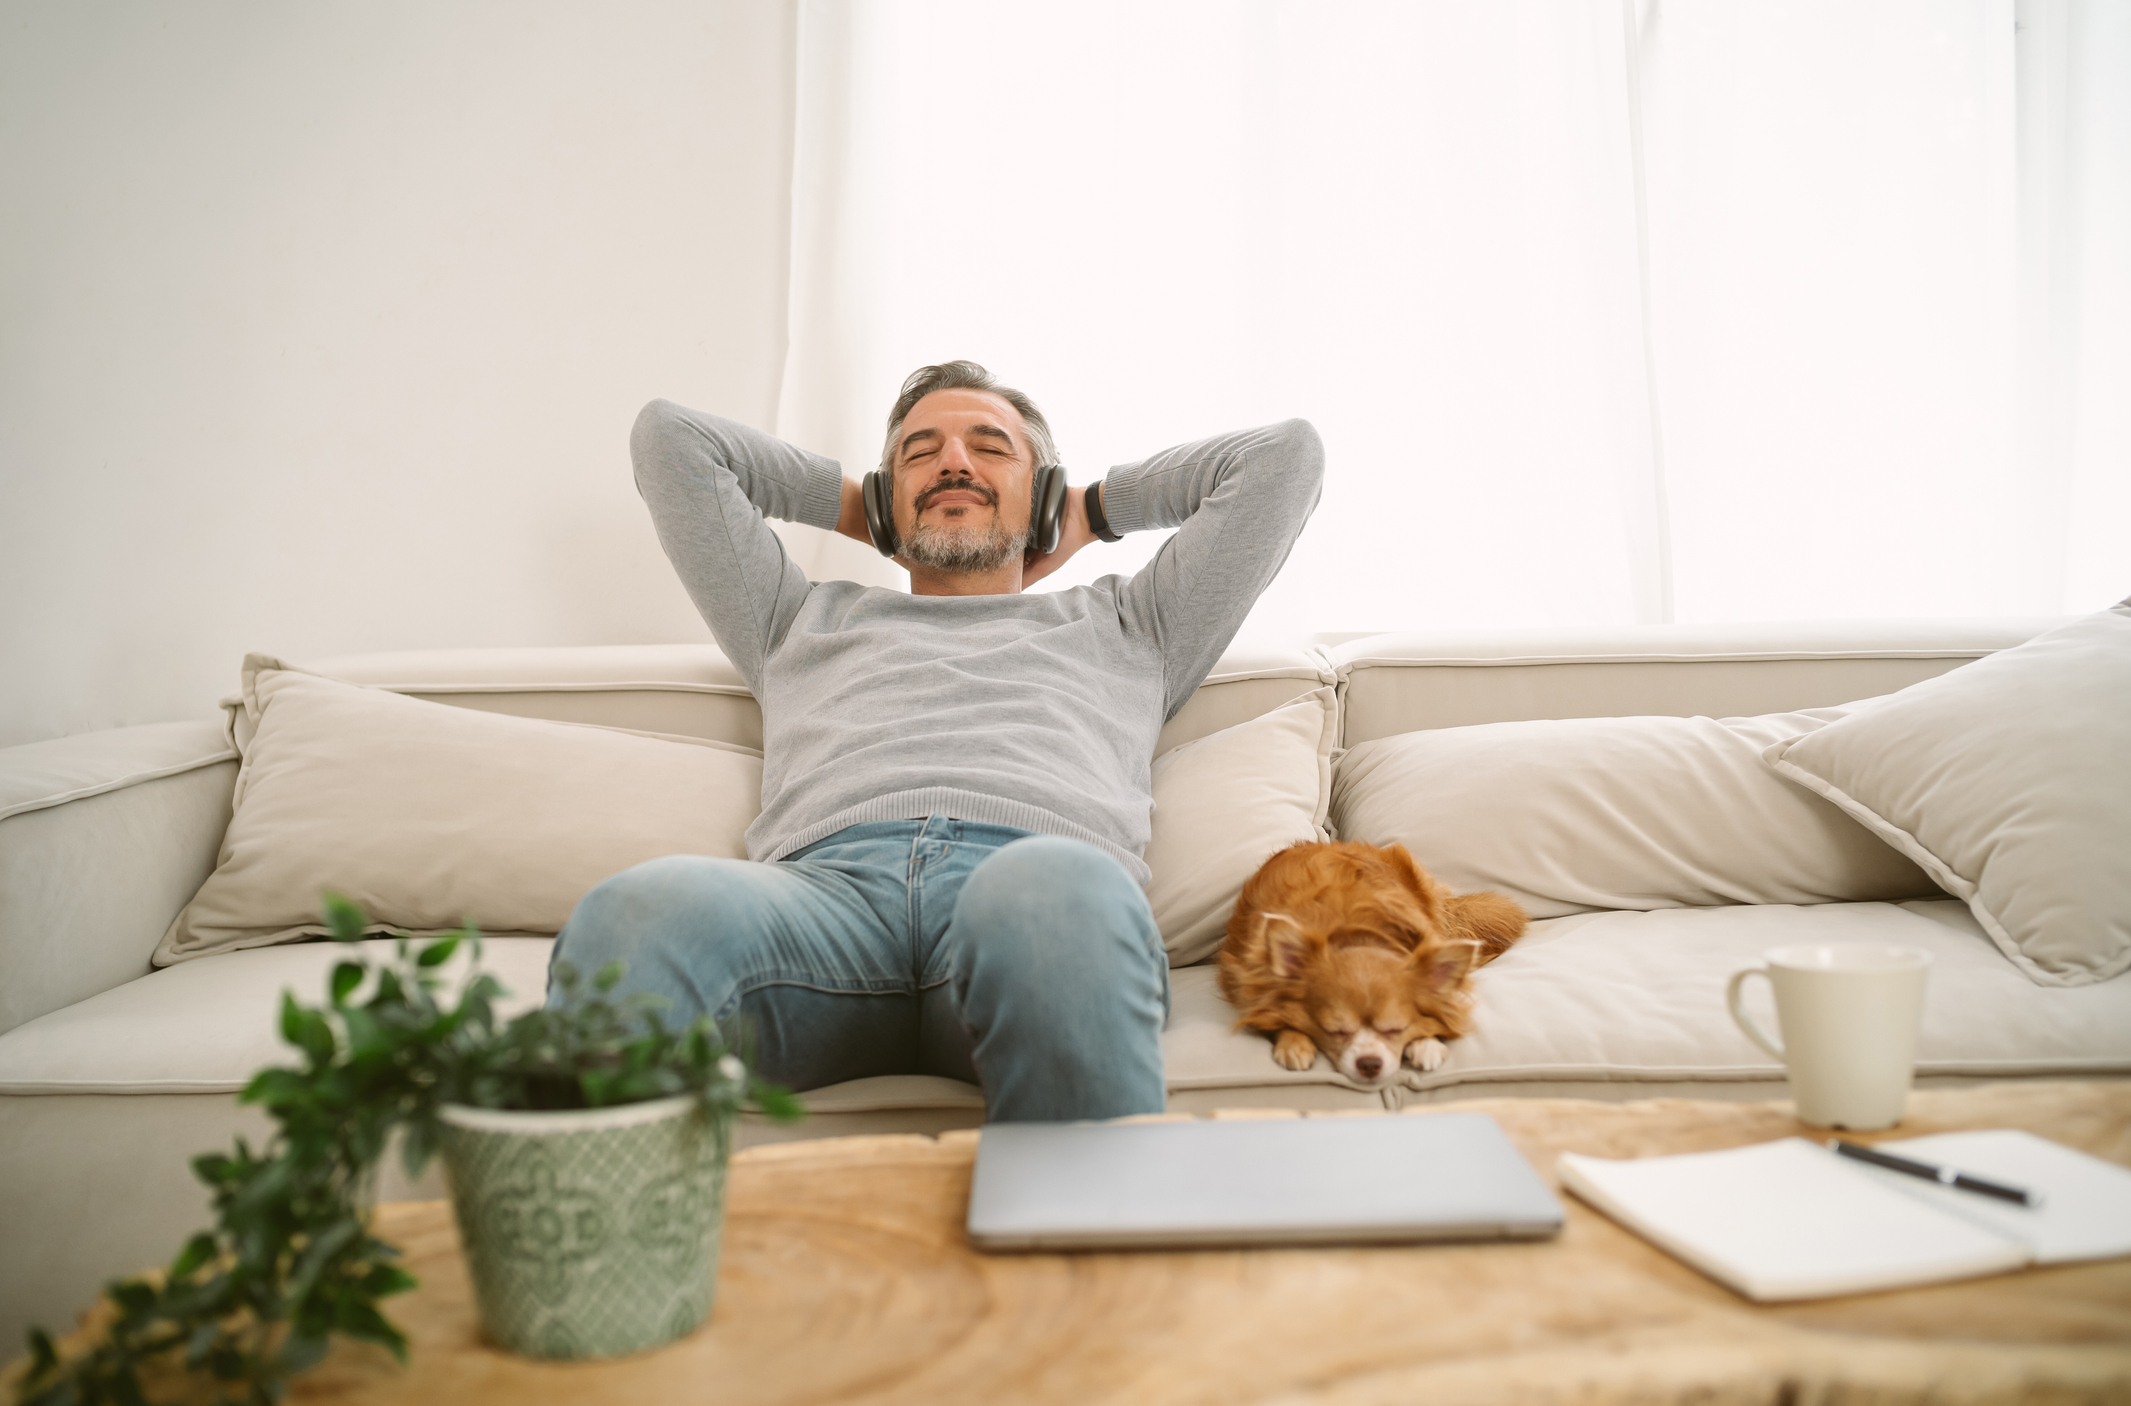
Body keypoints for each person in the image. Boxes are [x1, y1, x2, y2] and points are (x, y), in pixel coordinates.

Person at [549, 360, 1322, 1121]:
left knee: (1049, 890)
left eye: (990, 448)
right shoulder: (792, 619)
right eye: (919, 454)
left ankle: (1084, 1240)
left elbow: (1282, 459)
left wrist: (1089, 509)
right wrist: (861, 507)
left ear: (1043, 490)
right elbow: (671, 439)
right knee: (635, 913)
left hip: (1032, 898)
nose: (953, 461)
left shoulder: (1135, 624)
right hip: (822, 908)